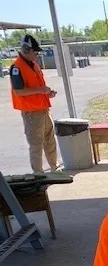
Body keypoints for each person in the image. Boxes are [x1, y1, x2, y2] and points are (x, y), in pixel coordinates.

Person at [9, 35, 58, 173]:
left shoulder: (34, 65)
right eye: (34, 52)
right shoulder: (16, 67)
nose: (36, 55)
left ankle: (54, 168)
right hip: (31, 112)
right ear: (26, 50)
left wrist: (47, 93)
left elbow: (37, 86)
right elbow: (19, 91)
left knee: (50, 140)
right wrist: (41, 90)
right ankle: (38, 173)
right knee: (36, 144)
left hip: (43, 108)